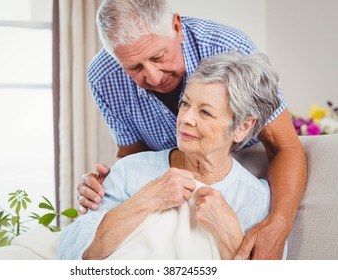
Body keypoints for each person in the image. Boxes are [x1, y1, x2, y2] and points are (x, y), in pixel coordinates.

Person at [77, 0, 307, 260]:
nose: (152, 78)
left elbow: (284, 146)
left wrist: (279, 222)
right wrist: (111, 184)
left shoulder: (229, 48)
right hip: (165, 179)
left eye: (157, 57)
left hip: (227, 169)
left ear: (176, 26)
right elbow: (131, 155)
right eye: (134, 67)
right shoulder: (104, 76)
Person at [59, 52, 281, 260]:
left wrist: (230, 236)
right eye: (185, 104)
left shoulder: (257, 199)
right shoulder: (129, 170)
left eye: (205, 112)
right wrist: (149, 197)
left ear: (242, 127)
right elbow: (75, 254)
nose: (185, 118)